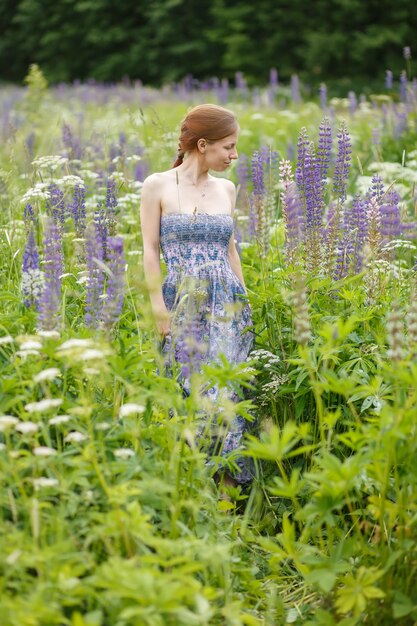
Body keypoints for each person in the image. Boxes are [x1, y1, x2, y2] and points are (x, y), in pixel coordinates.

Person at [139, 103, 255, 491]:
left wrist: (245, 303)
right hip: (182, 301)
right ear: (202, 145)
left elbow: (230, 249)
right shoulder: (157, 185)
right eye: (229, 147)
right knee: (187, 389)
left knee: (224, 392)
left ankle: (227, 491)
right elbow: (151, 250)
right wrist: (158, 306)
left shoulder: (226, 188)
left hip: (226, 303)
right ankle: (190, 483)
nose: (234, 156)